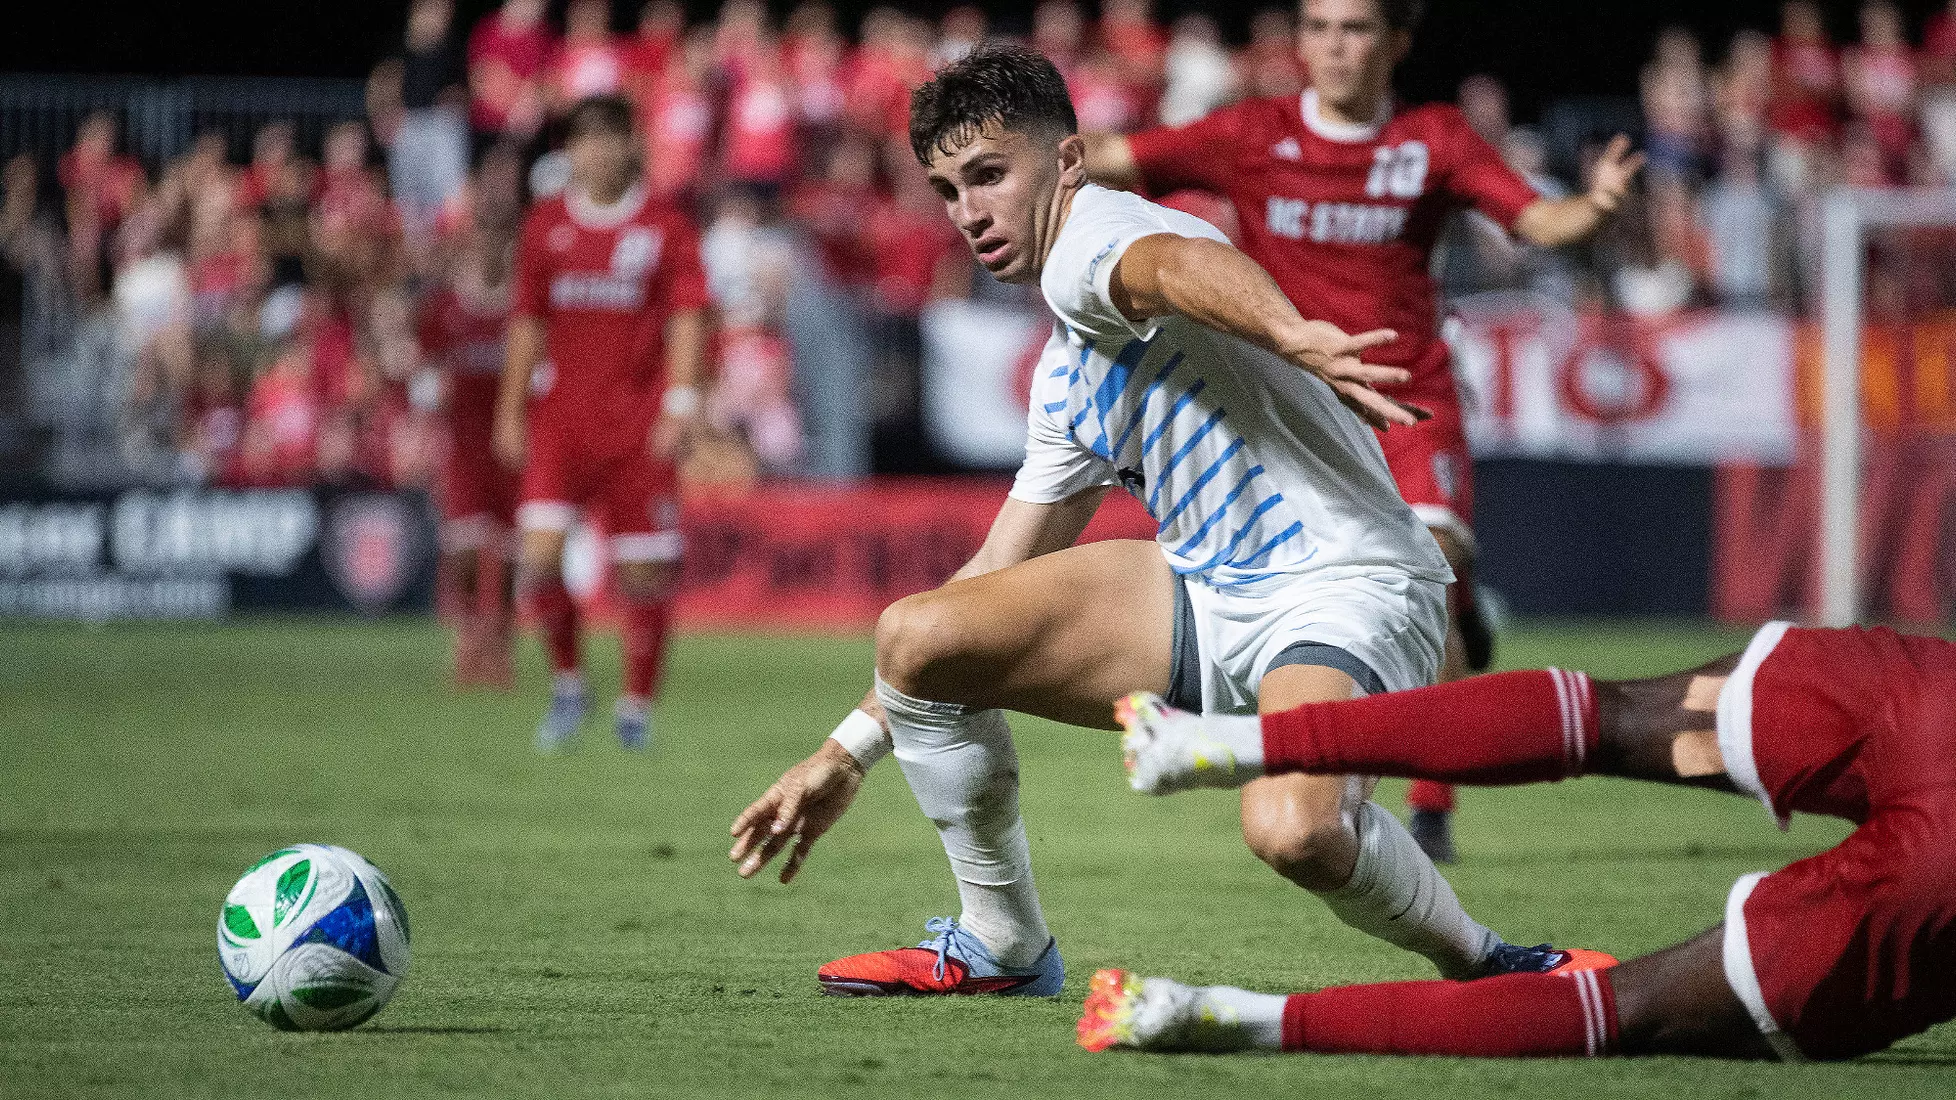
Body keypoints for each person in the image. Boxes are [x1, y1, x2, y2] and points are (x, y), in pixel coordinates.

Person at [727, 45, 1591, 998]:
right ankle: (1003, 946)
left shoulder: (1096, 238)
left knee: (1294, 831)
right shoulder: (1067, 372)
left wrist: (1290, 333)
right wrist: (844, 754)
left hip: (1346, 589)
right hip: (1207, 598)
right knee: (922, 635)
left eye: (989, 174)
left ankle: (1485, 960)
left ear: (1067, 161)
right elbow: (997, 566)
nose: (968, 210)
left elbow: (1178, 264)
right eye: (948, 190)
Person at [1080, 0, 1645, 861]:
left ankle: (1429, 810)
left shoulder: (1433, 138)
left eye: (1355, 28)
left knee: (1429, 573)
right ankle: (1445, 629)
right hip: (1296, 420)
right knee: (1340, 606)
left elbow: (1535, 219)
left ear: (1397, 42)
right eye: (1318, 27)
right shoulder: (1251, 132)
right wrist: (1028, 154)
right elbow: (1115, 158)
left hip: (1410, 403)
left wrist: (1595, 206)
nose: (1334, 46)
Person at [1087, 621, 1956, 1060]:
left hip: (1930, 698)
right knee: (1626, 1009)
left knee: (1614, 715)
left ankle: (1238, 740)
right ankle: (1239, 1019)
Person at [493, 95, 710, 751]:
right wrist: (509, 408)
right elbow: (527, 323)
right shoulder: (546, 226)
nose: (595, 152)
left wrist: (680, 404)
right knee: (537, 559)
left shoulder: (664, 227)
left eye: (608, 138)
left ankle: (635, 707)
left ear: (630, 145)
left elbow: (689, 318)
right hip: (560, 421)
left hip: (638, 425)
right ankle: (568, 685)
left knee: (642, 574)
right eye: (583, 140)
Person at [423, 198, 520, 689]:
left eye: (501, 236)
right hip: (463, 445)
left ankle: (500, 644)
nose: (491, 246)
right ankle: (468, 640)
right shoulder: (447, 307)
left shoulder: (523, 306)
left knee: (509, 552)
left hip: (511, 444)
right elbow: (424, 369)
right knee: (462, 549)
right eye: (484, 235)